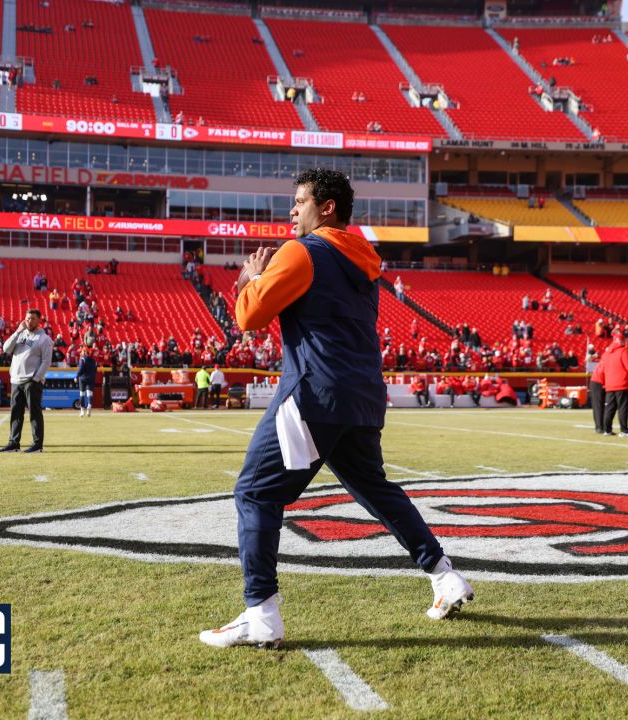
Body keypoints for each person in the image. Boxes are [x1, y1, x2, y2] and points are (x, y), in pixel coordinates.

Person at [200, 168, 473, 649]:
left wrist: (251, 278)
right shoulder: (365, 262)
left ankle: (260, 613)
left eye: (299, 201)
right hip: (363, 395)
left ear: (326, 208)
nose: (291, 210)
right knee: (376, 490)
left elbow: (248, 317)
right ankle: (443, 575)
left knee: (256, 494)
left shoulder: (302, 251)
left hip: (314, 394)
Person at [0, 309, 53, 453]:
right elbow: (6, 349)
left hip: (31, 381)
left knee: (34, 413)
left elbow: (46, 362)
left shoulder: (44, 339)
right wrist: (17, 331)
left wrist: (35, 379)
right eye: (27, 318)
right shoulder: (20, 334)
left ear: (39, 320)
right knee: (15, 413)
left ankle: (37, 445)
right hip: (16, 379)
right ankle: (14, 443)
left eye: (33, 318)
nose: (29, 321)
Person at [600, 333, 628, 437]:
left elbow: (603, 370)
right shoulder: (624, 352)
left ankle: (607, 430)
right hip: (623, 384)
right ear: (622, 341)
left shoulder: (606, 353)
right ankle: (624, 430)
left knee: (610, 408)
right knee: (623, 407)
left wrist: (605, 382)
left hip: (610, 384)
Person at [589, 351, 607, 434]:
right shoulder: (607, 360)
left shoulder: (606, 359)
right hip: (597, 382)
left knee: (602, 405)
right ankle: (599, 427)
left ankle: (602, 426)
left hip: (601, 382)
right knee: (598, 405)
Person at [77, 346, 97, 417]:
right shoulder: (93, 360)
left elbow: (81, 369)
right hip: (91, 378)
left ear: (85, 352)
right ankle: (89, 406)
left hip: (83, 378)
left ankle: (82, 411)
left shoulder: (82, 359)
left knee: (82, 394)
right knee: (89, 394)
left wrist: (77, 376)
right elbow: (95, 370)